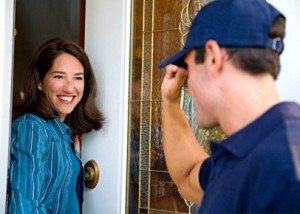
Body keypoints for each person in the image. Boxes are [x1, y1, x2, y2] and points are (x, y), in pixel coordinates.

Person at [159, 0, 300, 213]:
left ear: (214, 58)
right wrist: (170, 102)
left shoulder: (286, 166)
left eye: (188, 68)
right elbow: (187, 176)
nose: (187, 85)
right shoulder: (243, 152)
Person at [8, 38, 104, 213]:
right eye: (59, 76)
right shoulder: (32, 128)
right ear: (39, 81)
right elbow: (25, 207)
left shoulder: (63, 132)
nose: (69, 88)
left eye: (78, 78)